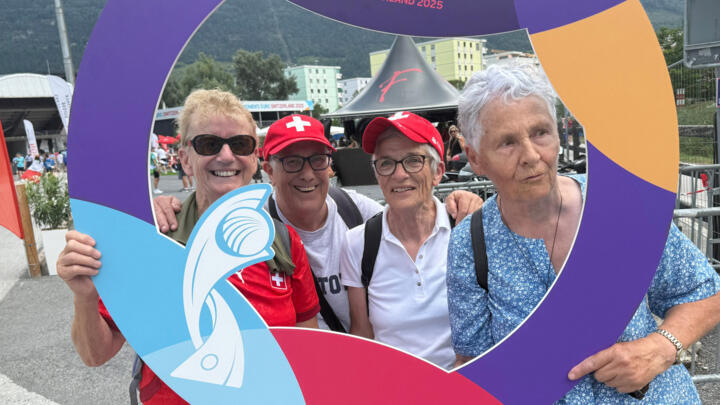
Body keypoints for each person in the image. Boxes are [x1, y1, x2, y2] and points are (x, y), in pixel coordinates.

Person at [447, 64, 720, 403]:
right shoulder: (470, 243)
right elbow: (473, 360)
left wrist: (660, 347)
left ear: (559, 134)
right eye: (507, 143)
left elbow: (705, 291)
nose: (531, 156)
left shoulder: (617, 206)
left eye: (540, 133)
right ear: (475, 157)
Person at [56, 89, 320, 404]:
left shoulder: (284, 244)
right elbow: (95, 354)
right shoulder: (152, 241)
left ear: (254, 158)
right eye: (208, 144)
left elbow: (309, 352)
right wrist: (84, 296)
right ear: (185, 158)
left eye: (239, 144)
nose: (226, 156)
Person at [154, 114, 483, 332]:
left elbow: (409, 209)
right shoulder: (255, 228)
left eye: (317, 160)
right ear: (268, 169)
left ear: (330, 165)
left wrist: (465, 203)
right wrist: (164, 206)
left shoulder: (359, 216)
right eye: (293, 161)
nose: (308, 173)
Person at [339, 112, 455, 368]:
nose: (399, 174)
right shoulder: (358, 244)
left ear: (438, 172)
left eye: (413, 161)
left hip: (463, 385)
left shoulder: (464, 231)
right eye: (386, 163)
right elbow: (362, 335)